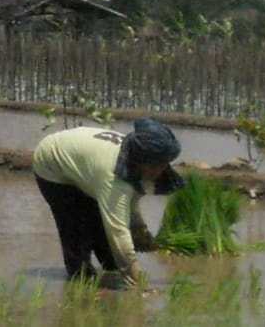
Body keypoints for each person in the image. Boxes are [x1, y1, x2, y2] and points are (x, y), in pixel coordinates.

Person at [32, 118, 185, 287]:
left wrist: (140, 231)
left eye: (164, 164)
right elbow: (118, 231)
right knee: (75, 229)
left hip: (83, 160)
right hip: (51, 164)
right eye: (157, 165)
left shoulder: (133, 157)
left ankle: (110, 269)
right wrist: (136, 277)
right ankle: (80, 280)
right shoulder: (112, 178)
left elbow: (130, 202)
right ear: (143, 162)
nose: (161, 170)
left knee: (103, 232)